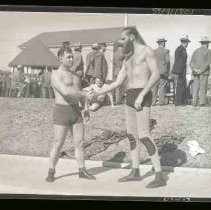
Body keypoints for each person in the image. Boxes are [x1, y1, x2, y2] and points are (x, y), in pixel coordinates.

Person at [94, 26, 166, 188]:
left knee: (144, 136)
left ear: (132, 38)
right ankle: (135, 171)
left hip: (143, 94)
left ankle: (160, 175)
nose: (121, 43)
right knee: (131, 135)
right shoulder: (127, 58)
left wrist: (142, 95)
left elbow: (156, 74)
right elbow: (118, 82)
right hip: (130, 96)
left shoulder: (147, 51)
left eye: (123, 39)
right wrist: (98, 92)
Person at [45, 47, 96, 182]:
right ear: (61, 59)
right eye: (68, 57)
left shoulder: (76, 76)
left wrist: (86, 109)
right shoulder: (55, 75)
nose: (72, 59)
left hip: (76, 112)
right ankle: (51, 171)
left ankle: (82, 170)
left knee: (79, 143)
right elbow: (66, 92)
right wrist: (85, 94)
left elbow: (79, 95)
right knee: (58, 143)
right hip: (62, 111)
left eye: (72, 57)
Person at [190, 36, 211, 107]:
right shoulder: (208, 51)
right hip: (204, 73)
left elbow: (191, 62)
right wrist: (201, 70)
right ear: (207, 43)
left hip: (195, 72)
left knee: (196, 87)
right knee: (203, 87)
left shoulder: (195, 51)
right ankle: (202, 102)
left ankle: (194, 102)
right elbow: (208, 62)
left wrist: (195, 69)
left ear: (201, 43)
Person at [172, 35, 190, 106]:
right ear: (184, 42)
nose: (188, 44)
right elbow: (181, 61)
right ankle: (178, 102)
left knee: (181, 85)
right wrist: (181, 70)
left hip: (181, 70)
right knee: (180, 86)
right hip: (181, 70)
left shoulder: (180, 49)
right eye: (187, 42)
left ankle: (180, 101)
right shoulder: (181, 49)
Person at [152, 37, 170, 105]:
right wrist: (167, 71)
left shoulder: (154, 51)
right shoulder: (166, 51)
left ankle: (153, 102)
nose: (165, 43)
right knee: (162, 87)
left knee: (154, 87)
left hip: (155, 71)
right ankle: (161, 102)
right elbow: (168, 61)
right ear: (162, 43)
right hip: (163, 71)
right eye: (164, 42)